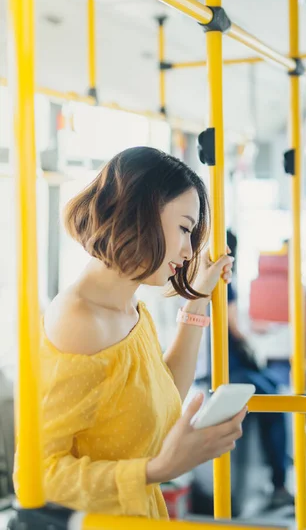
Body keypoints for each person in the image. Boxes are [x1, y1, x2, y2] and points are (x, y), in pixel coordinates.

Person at [13, 147, 245, 519]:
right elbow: (36, 476)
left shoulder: (131, 309)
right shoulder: (80, 324)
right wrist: (158, 469)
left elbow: (166, 390)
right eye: (184, 229)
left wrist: (198, 298)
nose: (188, 251)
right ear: (142, 213)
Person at [226, 230, 294, 510]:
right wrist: (256, 333)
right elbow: (234, 328)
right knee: (273, 399)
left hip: (231, 364)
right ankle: (279, 482)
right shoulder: (224, 282)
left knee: (274, 388)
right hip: (230, 369)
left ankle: (279, 477)